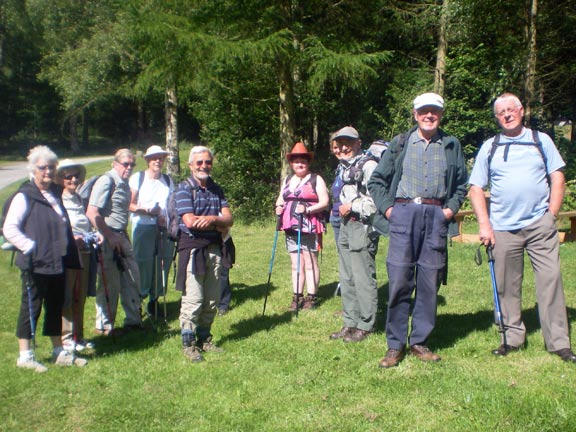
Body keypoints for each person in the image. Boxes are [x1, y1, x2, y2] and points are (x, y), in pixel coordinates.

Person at [468, 92, 576, 363]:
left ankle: (559, 343)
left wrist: (551, 214)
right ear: (496, 117)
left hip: (540, 223)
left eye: (511, 109)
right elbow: (475, 188)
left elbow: (557, 176)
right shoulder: (489, 147)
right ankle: (512, 339)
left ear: (521, 111)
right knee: (507, 286)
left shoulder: (541, 140)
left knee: (550, 281)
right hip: (503, 228)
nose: (506, 114)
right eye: (501, 112)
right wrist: (485, 225)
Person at [368, 93, 468, 367]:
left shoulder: (451, 144)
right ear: (415, 114)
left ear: (440, 114)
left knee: (429, 282)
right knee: (400, 281)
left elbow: (461, 184)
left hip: (435, 216)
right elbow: (376, 181)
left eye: (434, 111)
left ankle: (420, 342)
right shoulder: (400, 143)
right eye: (424, 111)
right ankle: (395, 345)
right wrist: (390, 210)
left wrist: (447, 211)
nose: (429, 115)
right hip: (403, 215)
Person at [3, 146, 87, 372]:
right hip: (36, 262)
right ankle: (25, 355)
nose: (48, 172)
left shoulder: (54, 193)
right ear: (33, 170)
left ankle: (58, 351)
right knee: (31, 306)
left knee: (55, 305)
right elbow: (9, 228)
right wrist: (29, 246)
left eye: (51, 167)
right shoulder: (24, 196)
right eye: (43, 168)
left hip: (56, 260)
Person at [175, 145, 233, 362]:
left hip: (215, 249)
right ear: (190, 165)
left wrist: (212, 220)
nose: (203, 166)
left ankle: (204, 339)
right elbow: (190, 222)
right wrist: (217, 222)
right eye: (199, 162)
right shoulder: (183, 190)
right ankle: (188, 344)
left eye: (207, 162)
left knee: (212, 299)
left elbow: (230, 219)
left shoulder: (217, 189)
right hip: (192, 250)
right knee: (194, 298)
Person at [328, 126, 379, 343]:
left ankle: (365, 325)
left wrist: (352, 206)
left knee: (362, 277)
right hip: (346, 225)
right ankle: (350, 322)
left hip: (362, 226)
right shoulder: (343, 167)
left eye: (349, 142)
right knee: (347, 277)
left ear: (359, 143)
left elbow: (377, 201)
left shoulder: (369, 166)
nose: (344, 147)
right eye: (340, 143)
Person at [86, 148, 142, 336]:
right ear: (115, 163)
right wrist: (109, 236)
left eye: (132, 164)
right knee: (109, 285)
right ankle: (105, 327)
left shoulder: (124, 184)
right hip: (107, 239)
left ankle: (133, 321)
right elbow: (92, 212)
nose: (129, 167)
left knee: (132, 278)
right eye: (125, 163)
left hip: (121, 237)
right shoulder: (106, 181)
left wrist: (121, 234)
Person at [275, 142, 329, 311]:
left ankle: (311, 297)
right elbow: (281, 198)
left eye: (303, 161)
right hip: (290, 226)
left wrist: (307, 209)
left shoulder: (316, 179)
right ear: (291, 163)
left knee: (309, 261)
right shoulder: (288, 179)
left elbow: (325, 202)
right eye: (297, 161)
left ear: (308, 163)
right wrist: (278, 207)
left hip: (309, 226)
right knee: (295, 263)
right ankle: (297, 296)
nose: (300, 164)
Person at [57, 159, 101, 353]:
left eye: (76, 175)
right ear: (61, 179)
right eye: (68, 176)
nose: (73, 179)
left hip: (84, 252)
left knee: (80, 296)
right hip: (68, 254)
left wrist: (93, 233)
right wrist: (73, 237)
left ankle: (79, 336)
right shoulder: (58, 199)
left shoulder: (78, 199)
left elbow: (84, 223)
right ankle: (66, 338)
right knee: (67, 296)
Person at [129, 145, 174, 319]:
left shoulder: (168, 181)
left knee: (163, 263)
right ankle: (139, 299)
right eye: (154, 158)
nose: (158, 161)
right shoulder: (138, 178)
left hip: (164, 228)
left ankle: (154, 300)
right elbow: (129, 204)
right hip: (143, 227)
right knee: (143, 263)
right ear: (147, 160)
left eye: (161, 157)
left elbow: (171, 205)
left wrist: (167, 218)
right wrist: (148, 211)